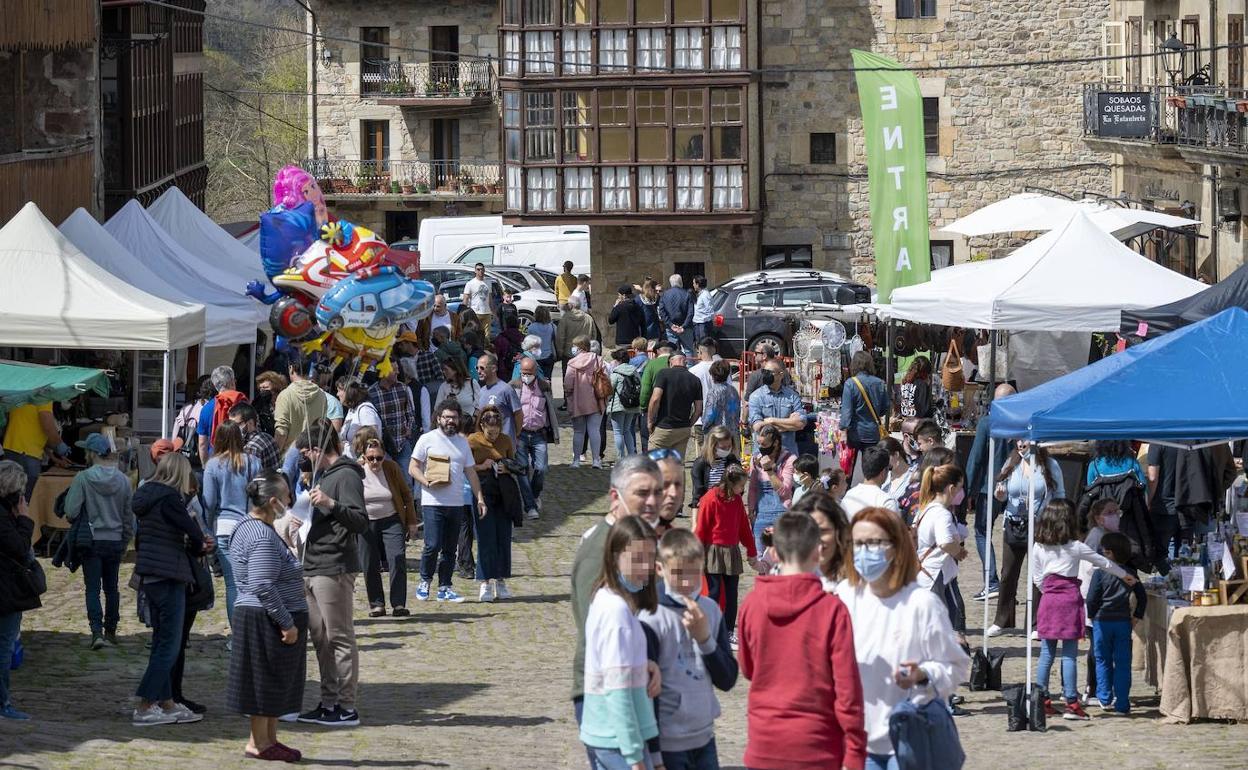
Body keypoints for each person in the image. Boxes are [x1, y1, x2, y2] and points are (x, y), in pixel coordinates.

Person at [836, 505, 971, 770]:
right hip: (857, 742)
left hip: (911, 738)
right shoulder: (844, 597)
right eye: (858, 543)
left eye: (873, 542)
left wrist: (923, 673)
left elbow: (956, 666)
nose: (864, 551)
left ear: (896, 547)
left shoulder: (922, 604)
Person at [737, 512, 866, 770]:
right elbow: (847, 689)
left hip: (765, 742)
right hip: (816, 745)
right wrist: (855, 750)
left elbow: (748, 669)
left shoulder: (751, 603)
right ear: (818, 553)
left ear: (774, 553)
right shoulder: (832, 610)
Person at [571, 455, 664, 766]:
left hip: (633, 690)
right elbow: (597, 631)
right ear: (615, 497)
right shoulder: (602, 548)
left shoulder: (637, 540)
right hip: (606, 699)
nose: (652, 501)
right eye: (642, 493)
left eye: (657, 492)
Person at [638, 528, 738, 770]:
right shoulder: (650, 617)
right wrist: (654, 755)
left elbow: (727, 679)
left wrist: (705, 639)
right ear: (660, 569)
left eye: (693, 573)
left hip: (705, 737)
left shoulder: (711, 610)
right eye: (678, 573)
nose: (686, 583)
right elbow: (643, 694)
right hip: (668, 744)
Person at [226, 470, 308, 762]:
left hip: (262, 613)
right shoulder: (260, 534)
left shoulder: (249, 525)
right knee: (264, 681)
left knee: (274, 682)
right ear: (274, 501)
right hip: (267, 617)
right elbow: (262, 583)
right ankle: (259, 742)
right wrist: (287, 623)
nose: (291, 498)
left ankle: (268, 740)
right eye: (287, 494)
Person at [1032, 499, 1135, 720]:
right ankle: (1071, 703)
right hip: (1069, 599)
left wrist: (1050, 591)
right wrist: (1124, 575)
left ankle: (1041, 699)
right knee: (1069, 654)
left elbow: (1037, 578)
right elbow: (1103, 563)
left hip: (1049, 599)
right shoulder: (1076, 547)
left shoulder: (1038, 546)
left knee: (1046, 653)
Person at [294, 420, 368, 728]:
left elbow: (360, 520)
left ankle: (346, 706)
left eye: (305, 453)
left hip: (334, 565)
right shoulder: (323, 475)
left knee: (338, 637)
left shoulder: (347, 475)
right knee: (320, 639)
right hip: (312, 563)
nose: (304, 459)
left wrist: (330, 503)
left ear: (317, 449)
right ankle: (328, 703)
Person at [130, 453, 210, 726]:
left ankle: (166, 701)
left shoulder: (147, 498)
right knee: (169, 644)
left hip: (151, 575)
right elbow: (195, 533)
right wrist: (200, 544)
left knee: (161, 641)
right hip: (169, 574)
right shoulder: (170, 499)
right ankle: (146, 704)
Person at [579, 515, 661, 770]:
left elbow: (613, 662)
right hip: (617, 737)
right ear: (615, 557)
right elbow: (618, 689)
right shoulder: (616, 610)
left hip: (610, 733)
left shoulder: (605, 598)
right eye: (636, 559)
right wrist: (635, 756)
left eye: (649, 558)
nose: (644, 567)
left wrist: (644, 663)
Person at [410, 399, 487, 605]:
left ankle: (445, 586)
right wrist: (426, 481)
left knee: (450, 548)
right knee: (432, 544)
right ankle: (424, 581)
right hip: (432, 501)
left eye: (454, 417)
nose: (450, 421)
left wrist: (479, 498)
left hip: (456, 503)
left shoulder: (463, 442)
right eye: (446, 417)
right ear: (438, 419)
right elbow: (413, 467)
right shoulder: (426, 439)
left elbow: (471, 472)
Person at [988, 441, 1066, 637]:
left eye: (1025, 439)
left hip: (1040, 526)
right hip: (1013, 524)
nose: (1021, 443)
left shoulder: (1049, 465)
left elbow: (1060, 494)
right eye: (1018, 439)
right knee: (1008, 573)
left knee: (1037, 575)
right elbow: (1002, 493)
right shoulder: (1012, 462)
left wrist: (1052, 516)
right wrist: (1000, 495)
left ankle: (1035, 624)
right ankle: (1002, 620)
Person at [64, 433, 133, 649]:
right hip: (114, 539)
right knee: (112, 588)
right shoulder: (123, 480)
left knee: (92, 588)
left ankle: (96, 632)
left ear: (91, 454)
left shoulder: (83, 478)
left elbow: (71, 510)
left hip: (91, 539)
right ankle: (111, 630)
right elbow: (129, 516)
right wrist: (125, 541)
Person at [203, 421, 262, 629]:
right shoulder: (254, 462)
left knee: (232, 585)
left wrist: (206, 529)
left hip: (225, 528)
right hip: (250, 526)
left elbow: (209, 503)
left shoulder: (213, 465)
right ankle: (251, 630)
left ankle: (237, 634)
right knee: (251, 584)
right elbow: (259, 497)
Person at [354, 429, 416, 617]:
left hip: (391, 519)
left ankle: (398, 604)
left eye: (379, 458)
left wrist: (411, 522)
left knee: (397, 557)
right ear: (363, 456)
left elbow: (406, 495)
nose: (375, 462)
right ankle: (377, 604)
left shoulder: (391, 467)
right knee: (369, 563)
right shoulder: (356, 471)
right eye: (371, 458)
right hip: (366, 522)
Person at [1086, 531, 1146, 715]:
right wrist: (1137, 615)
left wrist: (1092, 615)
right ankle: (1122, 702)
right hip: (1122, 621)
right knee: (1122, 662)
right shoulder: (1130, 573)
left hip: (1102, 621)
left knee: (1102, 659)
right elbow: (1142, 597)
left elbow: (1091, 598)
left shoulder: (1100, 574)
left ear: (1109, 553)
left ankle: (1104, 697)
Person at [964, 383, 1015, 601]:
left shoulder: (987, 422)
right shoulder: (1020, 421)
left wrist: (966, 490)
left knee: (982, 531)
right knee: (1014, 537)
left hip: (990, 486)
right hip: (1016, 485)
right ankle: (1007, 587)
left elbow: (975, 459)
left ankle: (992, 581)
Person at [695, 465, 756, 643]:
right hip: (713, 551)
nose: (742, 489)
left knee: (731, 594)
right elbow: (701, 529)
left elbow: (744, 527)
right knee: (712, 593)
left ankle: (728, 630)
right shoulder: (710, 499)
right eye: (741, 485)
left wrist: (751, 550)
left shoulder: (736, 501)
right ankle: (711, 630)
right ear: (731, 483)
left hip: (731, 551)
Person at [468, 406, 521, 603]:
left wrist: (506, 467)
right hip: (482, 490)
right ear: (482, 426)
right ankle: (485, 581)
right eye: (490, 432)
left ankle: (501, 579)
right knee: (485, 537)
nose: (493, 436)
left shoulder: (506, 440)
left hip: (503, 491)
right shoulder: (473, 441)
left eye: (496, 432)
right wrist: (483, 466)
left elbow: (514, 462)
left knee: (503, 536)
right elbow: (465, 466)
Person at [913, 464, 969, 646]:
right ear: (952, 489)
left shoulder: (926, 508)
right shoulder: (941, 514)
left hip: (926, 573)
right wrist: (958, 551)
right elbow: (944, 542)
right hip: (934, 574)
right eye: (960, 488)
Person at [0, 461, 39, 720]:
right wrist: (24, 519)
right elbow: (20, 548)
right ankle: (3, 703)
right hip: (6, 590)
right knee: (4, 647)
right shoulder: (5, 518)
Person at [2, 400, 69, 500]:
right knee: (28, 499)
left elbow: (38, 433)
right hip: (26, 454)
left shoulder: (25, 394)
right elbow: (47, 425)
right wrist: (60, 444)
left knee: (10, 497)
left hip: (11, 448)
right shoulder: (44, 397)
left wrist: (56, 457)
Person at [839, 352, 890, 477]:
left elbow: (846, 411)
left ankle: (846, 491)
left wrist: (843, 431)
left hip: (854, 433)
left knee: (848, 467)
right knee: (871, 468)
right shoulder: (880, 383)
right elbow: (885, 409)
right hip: (873, 433)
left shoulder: (850, 383)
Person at [792, 491, 854, 593]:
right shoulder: (785, 575)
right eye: (808, 531)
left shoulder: (857, 577)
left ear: (839, 531)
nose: (816, 539)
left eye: (823, 531)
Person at [748, 424, 795, 554]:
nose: (761, 449)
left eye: (765, 445)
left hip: (782, 513)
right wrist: (751, 511)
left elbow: (784, 491)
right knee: (760, 557)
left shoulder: (789, 459)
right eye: (759, 444)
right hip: (761, 514)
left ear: (775, 443)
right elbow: (752, 488)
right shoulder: (755, 459)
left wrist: (769, 471)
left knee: (783, 557)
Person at [647, 351, 702, 461]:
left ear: (671, 361)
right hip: (683, 428)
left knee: (654, 463)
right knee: (677, 465)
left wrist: (650, 421)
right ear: (685, 361)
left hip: (664, 427)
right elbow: (698, 409)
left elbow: (655, 399)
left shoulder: (663, 374)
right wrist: (689, 423)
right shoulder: (695, 380)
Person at [513, 356, 550, 520]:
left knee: (541, 468)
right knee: (521, 469)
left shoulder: (544, 386)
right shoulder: (513, 386)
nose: (525, 376)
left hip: (538, 434)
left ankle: (534, 495)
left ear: (535, 372)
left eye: (528, 373)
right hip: (519, 434)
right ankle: (530, 507)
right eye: (523, 373)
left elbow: (549, 411)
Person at [564, 335, 608, 469]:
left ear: (579, 347)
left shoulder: (572, 363)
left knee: (578, 432)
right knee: (595, 431)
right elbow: (606, 379)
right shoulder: (598, 360)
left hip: (577, 401)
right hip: (596, 399)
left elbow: (568, 384)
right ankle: (596, 460)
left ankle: (576, 460)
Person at [748, 359, 807, 457]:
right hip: (764, 455)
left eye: (769, 372)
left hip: (788, 454)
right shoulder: (756, 396)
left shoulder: (792, 396)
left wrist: (771, 421)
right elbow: (758, 427)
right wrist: (789, 424)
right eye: (764, 371)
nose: (765, 375)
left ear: (781, 374)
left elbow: (800, 424)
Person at [273, 356, 329, 452]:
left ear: (291, 368)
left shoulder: (285, 395)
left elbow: (281, 432)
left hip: (289, 456)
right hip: (312, 454)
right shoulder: (322, 395)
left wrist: (275, 455)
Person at [197, 366, 248, 466]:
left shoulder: (206, 409)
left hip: (216, 458)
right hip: (240, 457)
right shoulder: (243, 402)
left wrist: (205, 465)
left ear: (215, 386)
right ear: (233, 381)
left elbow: (202, 443)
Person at [368, 367, 417, 471]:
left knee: (406, 481)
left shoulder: (403, 388)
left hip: (403, 442)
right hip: (383, 446)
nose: (398, 372)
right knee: (387, 481)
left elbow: (410, 413)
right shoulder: (371, 392)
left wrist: (409, 428)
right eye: (394, 369)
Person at [690, 426, 738, 517]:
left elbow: (739, 488)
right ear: (712, 445)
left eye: (729, 446)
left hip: (729, 509)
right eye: (723, 447)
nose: (727, 450)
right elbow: (697, 495)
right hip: (709, 510)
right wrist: (695, 524)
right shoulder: (700, 464)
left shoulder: (732, 461)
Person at [842, 445, 900, 520]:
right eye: (889, 469)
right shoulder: (887, 502)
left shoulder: (849, 495)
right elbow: (893, 531)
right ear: (883, 472)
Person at [475, 353, 523, 441]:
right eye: (477, 368)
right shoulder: (481, 391)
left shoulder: (506, 389)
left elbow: (518, 414)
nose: (478, 371)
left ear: (493, 368)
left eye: (482, 368)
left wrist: (515, 434)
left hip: (504, 444)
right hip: (487, 445)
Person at [606, 348, 643, 459]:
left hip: (618, 405)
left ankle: (620, 458)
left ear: (618, 360)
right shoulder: (634, 371)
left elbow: (610, 390)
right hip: (632, 405)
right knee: (627, 431)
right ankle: (632, 455)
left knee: (618, 432)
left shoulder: (616, 372)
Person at [230, 402, 281, 472]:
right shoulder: (268, 437)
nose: (232, 428)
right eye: (230, 424)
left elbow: (249, 477)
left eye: (237, 424)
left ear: (250, 422)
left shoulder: (251, 448)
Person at [701, 359, 740, 449]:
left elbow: (710, 413)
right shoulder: (733, 390)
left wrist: (704, 426)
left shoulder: (713, 392)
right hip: (733, 432)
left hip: (718, 434)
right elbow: (737, 411)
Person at [337, 380, 381, 460]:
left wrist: (362, 462)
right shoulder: (352, 410)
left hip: (361, 465)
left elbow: (373, 439)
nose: (337, 394)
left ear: (349, 392)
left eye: (339, 390)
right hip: (350, 462)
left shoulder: (365, 411)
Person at [434, 355, 481, 424]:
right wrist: (447, 403)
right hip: (451, 427)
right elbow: (437, 409)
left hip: (470, 426)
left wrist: (473, 419)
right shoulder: (444, 386)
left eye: (446, 369)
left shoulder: (472, 383)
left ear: (455, 370)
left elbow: (480, 405)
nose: (443, 372)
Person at [556, 295, 599, 364]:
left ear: (571, 305)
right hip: (585, 352)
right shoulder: (588, 318)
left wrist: (560, 351)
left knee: (569, 373)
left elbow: (560, 337)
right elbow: (594, 335)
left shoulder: (565, 318)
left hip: (569, 353)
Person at [658, 273, 694, 356]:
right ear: (681, 282)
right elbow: (690, 312)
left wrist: (671, 325)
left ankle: (674, 366)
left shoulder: (665, 295)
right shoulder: (687, 294)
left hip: (671, 328)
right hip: (686, 328)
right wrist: (683, 326)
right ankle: (689, 368)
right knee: (688, 350)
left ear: (671, 283)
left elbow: (662, 312)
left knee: (673, 351)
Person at [463, 263, 495, 341]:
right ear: (475, 271)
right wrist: (463, 311)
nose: (480, 271)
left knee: (487, 335)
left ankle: (485, 349)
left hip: (487, 312)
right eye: (478, 269)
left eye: (482, 269)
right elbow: (466, 298)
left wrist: (493, 311)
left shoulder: (488, 282)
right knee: (475, 332)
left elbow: (489, 297)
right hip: (475, 312)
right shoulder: (470, 283)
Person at [897, 355, 933, 420]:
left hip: (905, 421)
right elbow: (925, 409)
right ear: (925, 372)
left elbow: (899, 403)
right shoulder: (922, 385)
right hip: (918, 424)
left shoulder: (904, 383)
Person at [253, 371, 289, 437]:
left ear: (275, 388)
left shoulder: (285, 402)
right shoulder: (259, 405)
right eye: (260, 388)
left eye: (265, 388)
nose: (262, 391)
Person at [527, 306, 558, 380]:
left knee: (536, 380)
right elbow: (556, 339)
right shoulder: (552, 326)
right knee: (548, 379)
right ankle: (547, 390)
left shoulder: (531, 327)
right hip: (548, 356)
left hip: (535, 357)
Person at [880, 436, 912, 504]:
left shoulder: (913, 476)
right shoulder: (883, 476)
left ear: (896, 454)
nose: (883, 463)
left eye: (886, 459)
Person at [690, 275, 715, 343]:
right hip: (697, 322)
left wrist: (705, 320)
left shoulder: (705, 295)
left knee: (703, 343)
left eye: (694, 283)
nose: (693, 285)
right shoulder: (700, 294)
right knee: (698, 343)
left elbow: (710, 309)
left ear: (698, 284)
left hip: (703, 324)